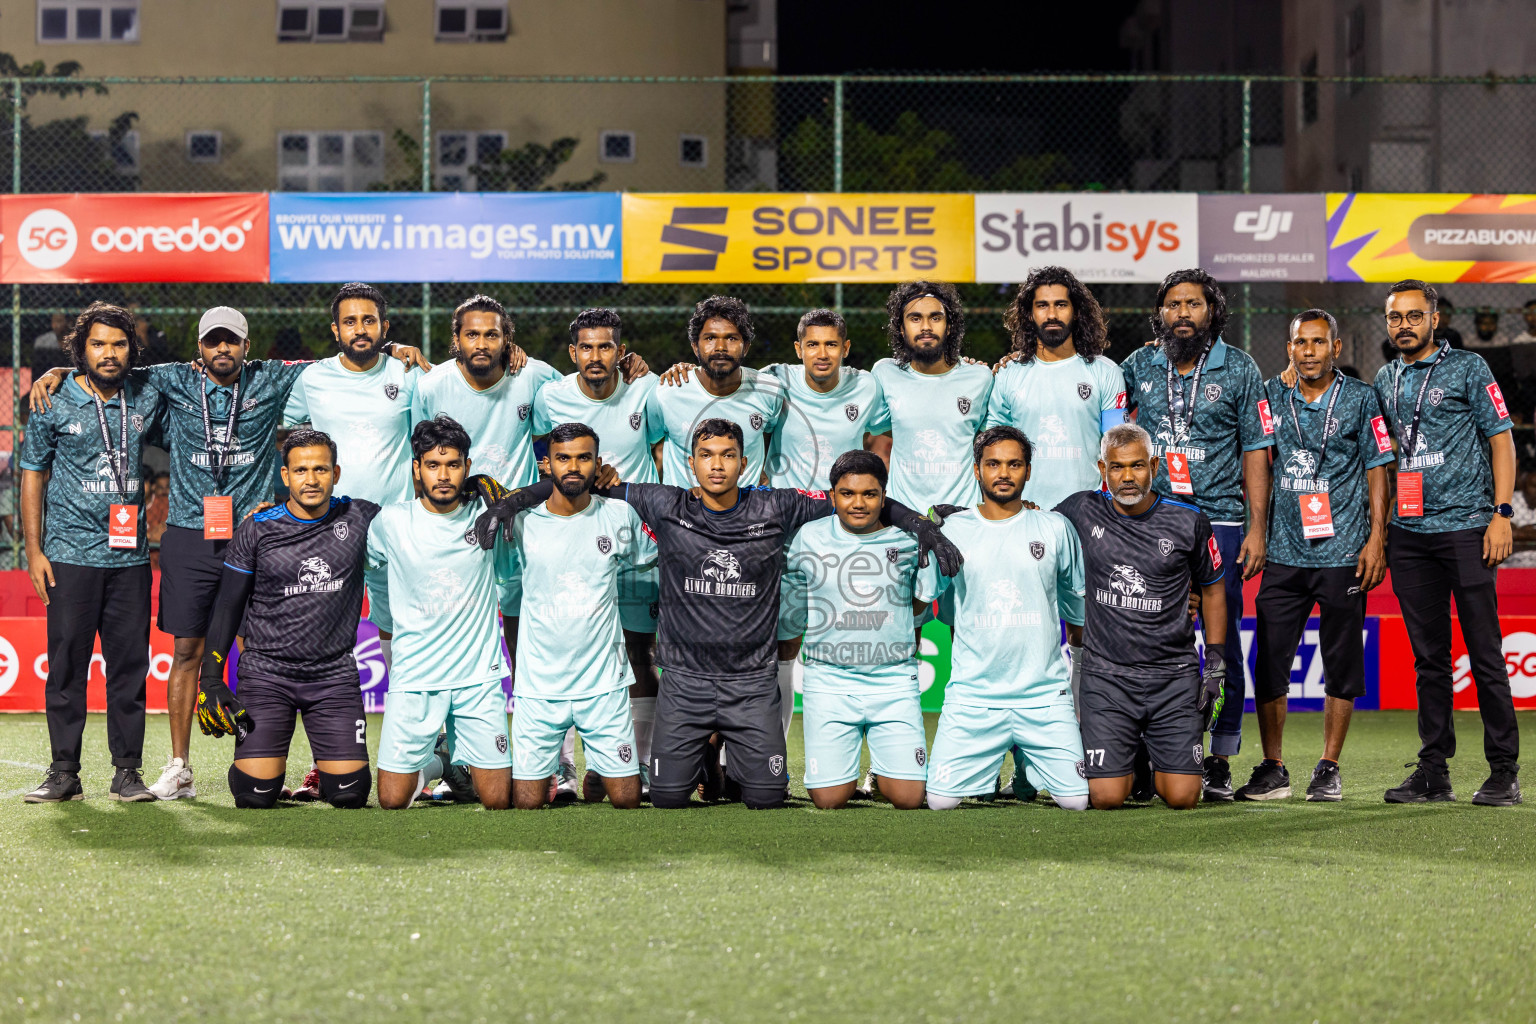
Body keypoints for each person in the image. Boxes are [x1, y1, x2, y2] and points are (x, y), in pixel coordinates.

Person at [28, 307, 429, 801]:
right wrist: (61, 370)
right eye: (213, 341)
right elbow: (106, 372)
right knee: (186, 651)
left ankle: (283, 756)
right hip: (189, 535)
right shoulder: (170, 379)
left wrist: (390, 349)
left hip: (257, 535)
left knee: (263, 647)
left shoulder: (271, 377)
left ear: (246, 346)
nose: (223, 349)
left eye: (232, 341)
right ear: (198, 349)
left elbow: (343, 360)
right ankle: (179, 766)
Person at [475, 417, 961, 810]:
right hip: (684, 682)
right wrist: (509, 505)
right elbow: (573, 487)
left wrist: (922, 527)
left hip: (751, 682)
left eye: (728, 455)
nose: (717, 464)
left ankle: (727, 753)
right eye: (706, 454)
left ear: (743, 463)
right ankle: (705, 755)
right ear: (691, 463)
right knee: (666, 799)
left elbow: (855, 499)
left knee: (766, 799)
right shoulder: (664, 503)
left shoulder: (777, 506)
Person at [658, 307, 893, 740]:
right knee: (766, 644)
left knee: (824, 641)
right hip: (774, 533)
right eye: (812, 344)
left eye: (831, 344)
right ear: (798, 349)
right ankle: (733, 755)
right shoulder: (772, 382)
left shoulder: (862, 385)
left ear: (846, 348)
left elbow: (887, 431)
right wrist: (682, 369)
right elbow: (669, 430)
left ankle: (784, 753)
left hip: (839, 530)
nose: (822, 353)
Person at [1118, 268, 1273, 802]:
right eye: (1173, 305)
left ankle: (1220, 759)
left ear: (1213, 311)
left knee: (1220, 641)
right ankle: (1142, 755)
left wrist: (1257, 528)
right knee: (1146, 634)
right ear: (1160, 314)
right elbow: (1100, 411)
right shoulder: (1139, 365)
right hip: (1152, 520)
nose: (1182, 313)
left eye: (1193, 304)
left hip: (1221, 521)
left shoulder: (1240, 368)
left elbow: (1257, 450)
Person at [1374, 279, 1521, 806]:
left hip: (1466, 529)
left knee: (1485, 653)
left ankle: (1503, 770)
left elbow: (1501, 439)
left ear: (1434, 320)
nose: (1404, 325)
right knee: (1429, 659)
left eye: (1415, 316)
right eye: (1396, 317)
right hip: (1410, 535)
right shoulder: (1385, 378)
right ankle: (1434, 771)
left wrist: (1501, 513)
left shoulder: (1469, 368)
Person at [1240, 310, 1393, 802]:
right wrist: (1257, 530)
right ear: (1289, 348)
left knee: (1342, 662)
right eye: (1300, 343)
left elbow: (1377, 469)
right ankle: (1273, 767)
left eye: (1318, 342)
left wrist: (1376, 538)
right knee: (1269, 662)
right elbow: (1256, 459)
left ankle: (1329, 766)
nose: (1309, 351)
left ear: (1336, 348)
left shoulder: (1362, 398)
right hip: (1283, 552)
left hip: (1343, 550)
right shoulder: (1270, 394)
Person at [20, 302, 164, 803]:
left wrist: (58, 369)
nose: (108, 353)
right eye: (97, 344)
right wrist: (34, 549)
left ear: (132, 349)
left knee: (129, 668)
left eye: (119, 344)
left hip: (129, 560)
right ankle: (64, 772)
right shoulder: (52, 399)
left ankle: (127, 772)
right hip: (69, 553)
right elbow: (32, 473)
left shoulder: (147, 392)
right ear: (80, 349)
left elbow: (189, 378)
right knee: (66, 666)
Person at [194, 429, 378, 809]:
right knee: (254, 795)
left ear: (336, 473)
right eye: (301, 470)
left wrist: (473, 488)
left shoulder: (361, 517)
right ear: (286, 475)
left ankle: (325, 774)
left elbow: (424, 514)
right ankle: (253, 768)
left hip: (333, 676)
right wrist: (210, 678)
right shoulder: (257, 528)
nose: (311, 479)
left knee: (350, 794)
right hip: (267, 675)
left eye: (320, 469)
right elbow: (227, 605)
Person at [1055, 423, 1227, 810]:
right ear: (1102, 469)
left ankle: (1147, 756)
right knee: (1105, 797)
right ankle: (1132, 755)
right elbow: (1028, 525)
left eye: (1137, 465)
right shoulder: (1080, 510)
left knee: (1182, 797)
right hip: (1107, 677)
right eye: (1117, 467)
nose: (1127, 477)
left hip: (1172, 675)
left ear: (1154, 466)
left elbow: (1214, 589)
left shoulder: (1189, 520)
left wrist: (1215, 664)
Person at [531, 308, 662, 798]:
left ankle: (635, 762)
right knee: (566, 645)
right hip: (573, 538)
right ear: (573, 353)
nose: (595, 356)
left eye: (605, 346)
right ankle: (564, 766)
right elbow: (542, 456)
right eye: (586, 347)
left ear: (620, 352)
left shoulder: (647, 390)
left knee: (639, 653)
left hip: (634, 539)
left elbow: (663, 447)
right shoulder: (551, 396)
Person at [923, 426, 1088, 811]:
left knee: (1077, 802)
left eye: (1014, 464)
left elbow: (1078, 606)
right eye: (993, 464)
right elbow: (926, 602)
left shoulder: (1055, 527)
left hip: (1043, 696)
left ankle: (1027, 768)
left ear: (1028, 471)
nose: (1003, 473)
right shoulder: (951, 531)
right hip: (974, 697)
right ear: (976, 470)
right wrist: (922, 536)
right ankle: (1002, 765)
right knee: (939, 802)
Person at [366, 415, 516, 811]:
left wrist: (508, 498)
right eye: (433, 465)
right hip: (415, 674)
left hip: (477, 675)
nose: (444, 475)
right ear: (417, 469)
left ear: (468, 467)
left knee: (498, 800)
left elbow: (548, 502)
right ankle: (441, 763)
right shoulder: (391, 522)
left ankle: (455, 760)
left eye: (453, 465)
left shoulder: (488, 514)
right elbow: (352, 559)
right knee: (392, 800)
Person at [505, 422, 657, 810]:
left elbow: (658, 555)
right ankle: (566, 767)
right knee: (526, 803)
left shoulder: (619, 516)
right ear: (547, 464)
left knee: (627, 800)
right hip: (540, 687)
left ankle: (602, 767)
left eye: (583, 458)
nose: (573, 467)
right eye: (563, 458)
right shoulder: (522, 522)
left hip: (603, 683)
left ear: (597, 463)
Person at [785, 450, 938, 810]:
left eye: (869, 494)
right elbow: (787, 588)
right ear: (832, 495)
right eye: (847, 493)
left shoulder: (908, 541)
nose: (858, 503)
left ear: (884, 497)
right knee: (828, 800)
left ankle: (886, 774)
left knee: (909, 799)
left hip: (893, 680)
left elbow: (919, 602)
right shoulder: (808, 537)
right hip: (829, 681)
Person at [987, 266, 1127, 512]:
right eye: (1042, 305)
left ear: (1076, 311)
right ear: (1029, 314)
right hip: (1025, 510)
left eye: (1061, 305)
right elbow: (995, 449)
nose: (1051, 314)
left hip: (1088, 510)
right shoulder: (1008, 374)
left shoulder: (1106, 372)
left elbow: (1117, 448)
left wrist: (1107, 507)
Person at [284, 283, 436, 506]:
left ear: (384, 327)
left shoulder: (408, 372)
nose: (360, 330)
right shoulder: (312, 378)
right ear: (336, 330)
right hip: (333, 518)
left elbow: (457, 382)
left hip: (394, 516)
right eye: (349, 322)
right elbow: (270, 418)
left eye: (369, 320)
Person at [870, 281, 994, 513]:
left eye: (935, 318)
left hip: (964, 516)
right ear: (901, 328)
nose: (926, 326)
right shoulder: (884, 374)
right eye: (915, 318)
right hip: (903, 517)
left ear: (949, 326)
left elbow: (992, 437)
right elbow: (880, 427)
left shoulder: (980, 377)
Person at [648, 295, 784, 488]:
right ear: (695, 346)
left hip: (749, 507)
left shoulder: (769, 391)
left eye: (731, 338)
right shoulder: (667, 393)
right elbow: (641, 446)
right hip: (680, 507)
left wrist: (761, 471)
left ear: (746, 347)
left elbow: (773, 434)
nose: (721, 347)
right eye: (710, 338)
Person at [1503, 469, 1536, 567]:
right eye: (1534, 486)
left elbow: (1514, 533)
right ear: (1524, 487)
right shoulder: (1511, 500)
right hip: (1512, 561)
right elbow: (1505, 532)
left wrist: (1520, 532)